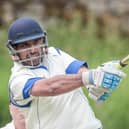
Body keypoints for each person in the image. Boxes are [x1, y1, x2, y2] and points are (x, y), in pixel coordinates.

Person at [7, 17, 125, 129]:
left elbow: (80, 71)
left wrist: (94, 83)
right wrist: (89, 77)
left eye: (36, 42)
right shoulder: (17, 79)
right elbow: (50, 87)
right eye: (24, 45)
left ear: (43, 40)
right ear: (14, 50)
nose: (33, 50)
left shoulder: (55, 54)